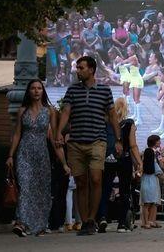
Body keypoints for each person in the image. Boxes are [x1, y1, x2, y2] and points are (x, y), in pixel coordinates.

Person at [57, 55, 120, 236]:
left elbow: (113, 116)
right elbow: (66, 112)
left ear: (91, 70)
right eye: (77, 68)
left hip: (97, 141)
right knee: (81, 182)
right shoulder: (72, 90)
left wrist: (118, 139)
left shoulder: (104, 90)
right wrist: (59, 133)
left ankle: (92, 218)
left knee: (95, 178)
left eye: (81, 68)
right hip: (76, 142)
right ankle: (84, 221)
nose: (78, 71)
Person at [7, 78, 67, 237]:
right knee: (25, 187)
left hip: (41, 154)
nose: (36, 91)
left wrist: (64, 163)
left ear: (42, 91)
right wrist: (11, 155)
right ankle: (21, 223)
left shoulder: (50, 111)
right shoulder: (22, 111)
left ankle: (40, 224)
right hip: (24, 153)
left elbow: (54, 139)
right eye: (33, 88)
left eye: (39, 88)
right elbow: (17, 134)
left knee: (41, 190)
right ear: (29, 91)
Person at [113, 99, 141, 232]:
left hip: (108, 159)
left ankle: (100, 219)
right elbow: (132, 145)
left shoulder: (109, 122)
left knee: (106, 189)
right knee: (124, 190)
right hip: (124, 159)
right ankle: (122, 223)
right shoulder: (129, 123)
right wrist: (139, 163)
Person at [140, 134, 162, 229]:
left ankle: (150, 221)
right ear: (154, 142)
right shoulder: (152, 152)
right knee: (149, 202)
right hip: (151, 178)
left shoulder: (150, 152)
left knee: (151, 202)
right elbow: (157, 166)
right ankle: (147, 221)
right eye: (158, 141)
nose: (160, 142)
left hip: (150, 178)